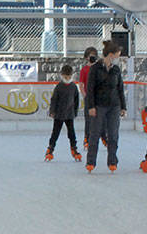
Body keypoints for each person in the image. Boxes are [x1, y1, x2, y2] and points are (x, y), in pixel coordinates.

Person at [84, 42, 126, 173]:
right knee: (95, 134)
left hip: (114, 105)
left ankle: (112, 161)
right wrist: (91, 106)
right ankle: (91, 161)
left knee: (113, 134)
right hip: (99, 105)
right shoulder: (95, 68)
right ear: (111, 55)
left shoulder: (116, 70)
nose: (118, 58)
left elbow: (120, 89)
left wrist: (123, 106)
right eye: (117, 55)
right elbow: (90, 89)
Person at [45, 64, 81, 162]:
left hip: (69, 114)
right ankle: (50, 149)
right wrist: (52, 111)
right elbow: (54, 100)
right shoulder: (59, 87)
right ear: (61, 75)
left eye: (69, 77)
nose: (67, 78)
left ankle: (74, 148)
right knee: (55, 132)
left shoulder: (73, 87)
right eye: (65, 77)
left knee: (71, 133)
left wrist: (75, 111)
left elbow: (76, 100)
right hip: (59, 114)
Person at [78, 46, 98, 147]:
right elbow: (81, 84)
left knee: (99, 119)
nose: (93, 58)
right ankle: (87, 137)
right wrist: (86, 96)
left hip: (98, 98)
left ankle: (100, 137)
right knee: (88, 119)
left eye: (95, 56)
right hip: (89, 98)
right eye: (91, 56)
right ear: (87, 57)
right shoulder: (84, 70)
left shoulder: (98, 69)